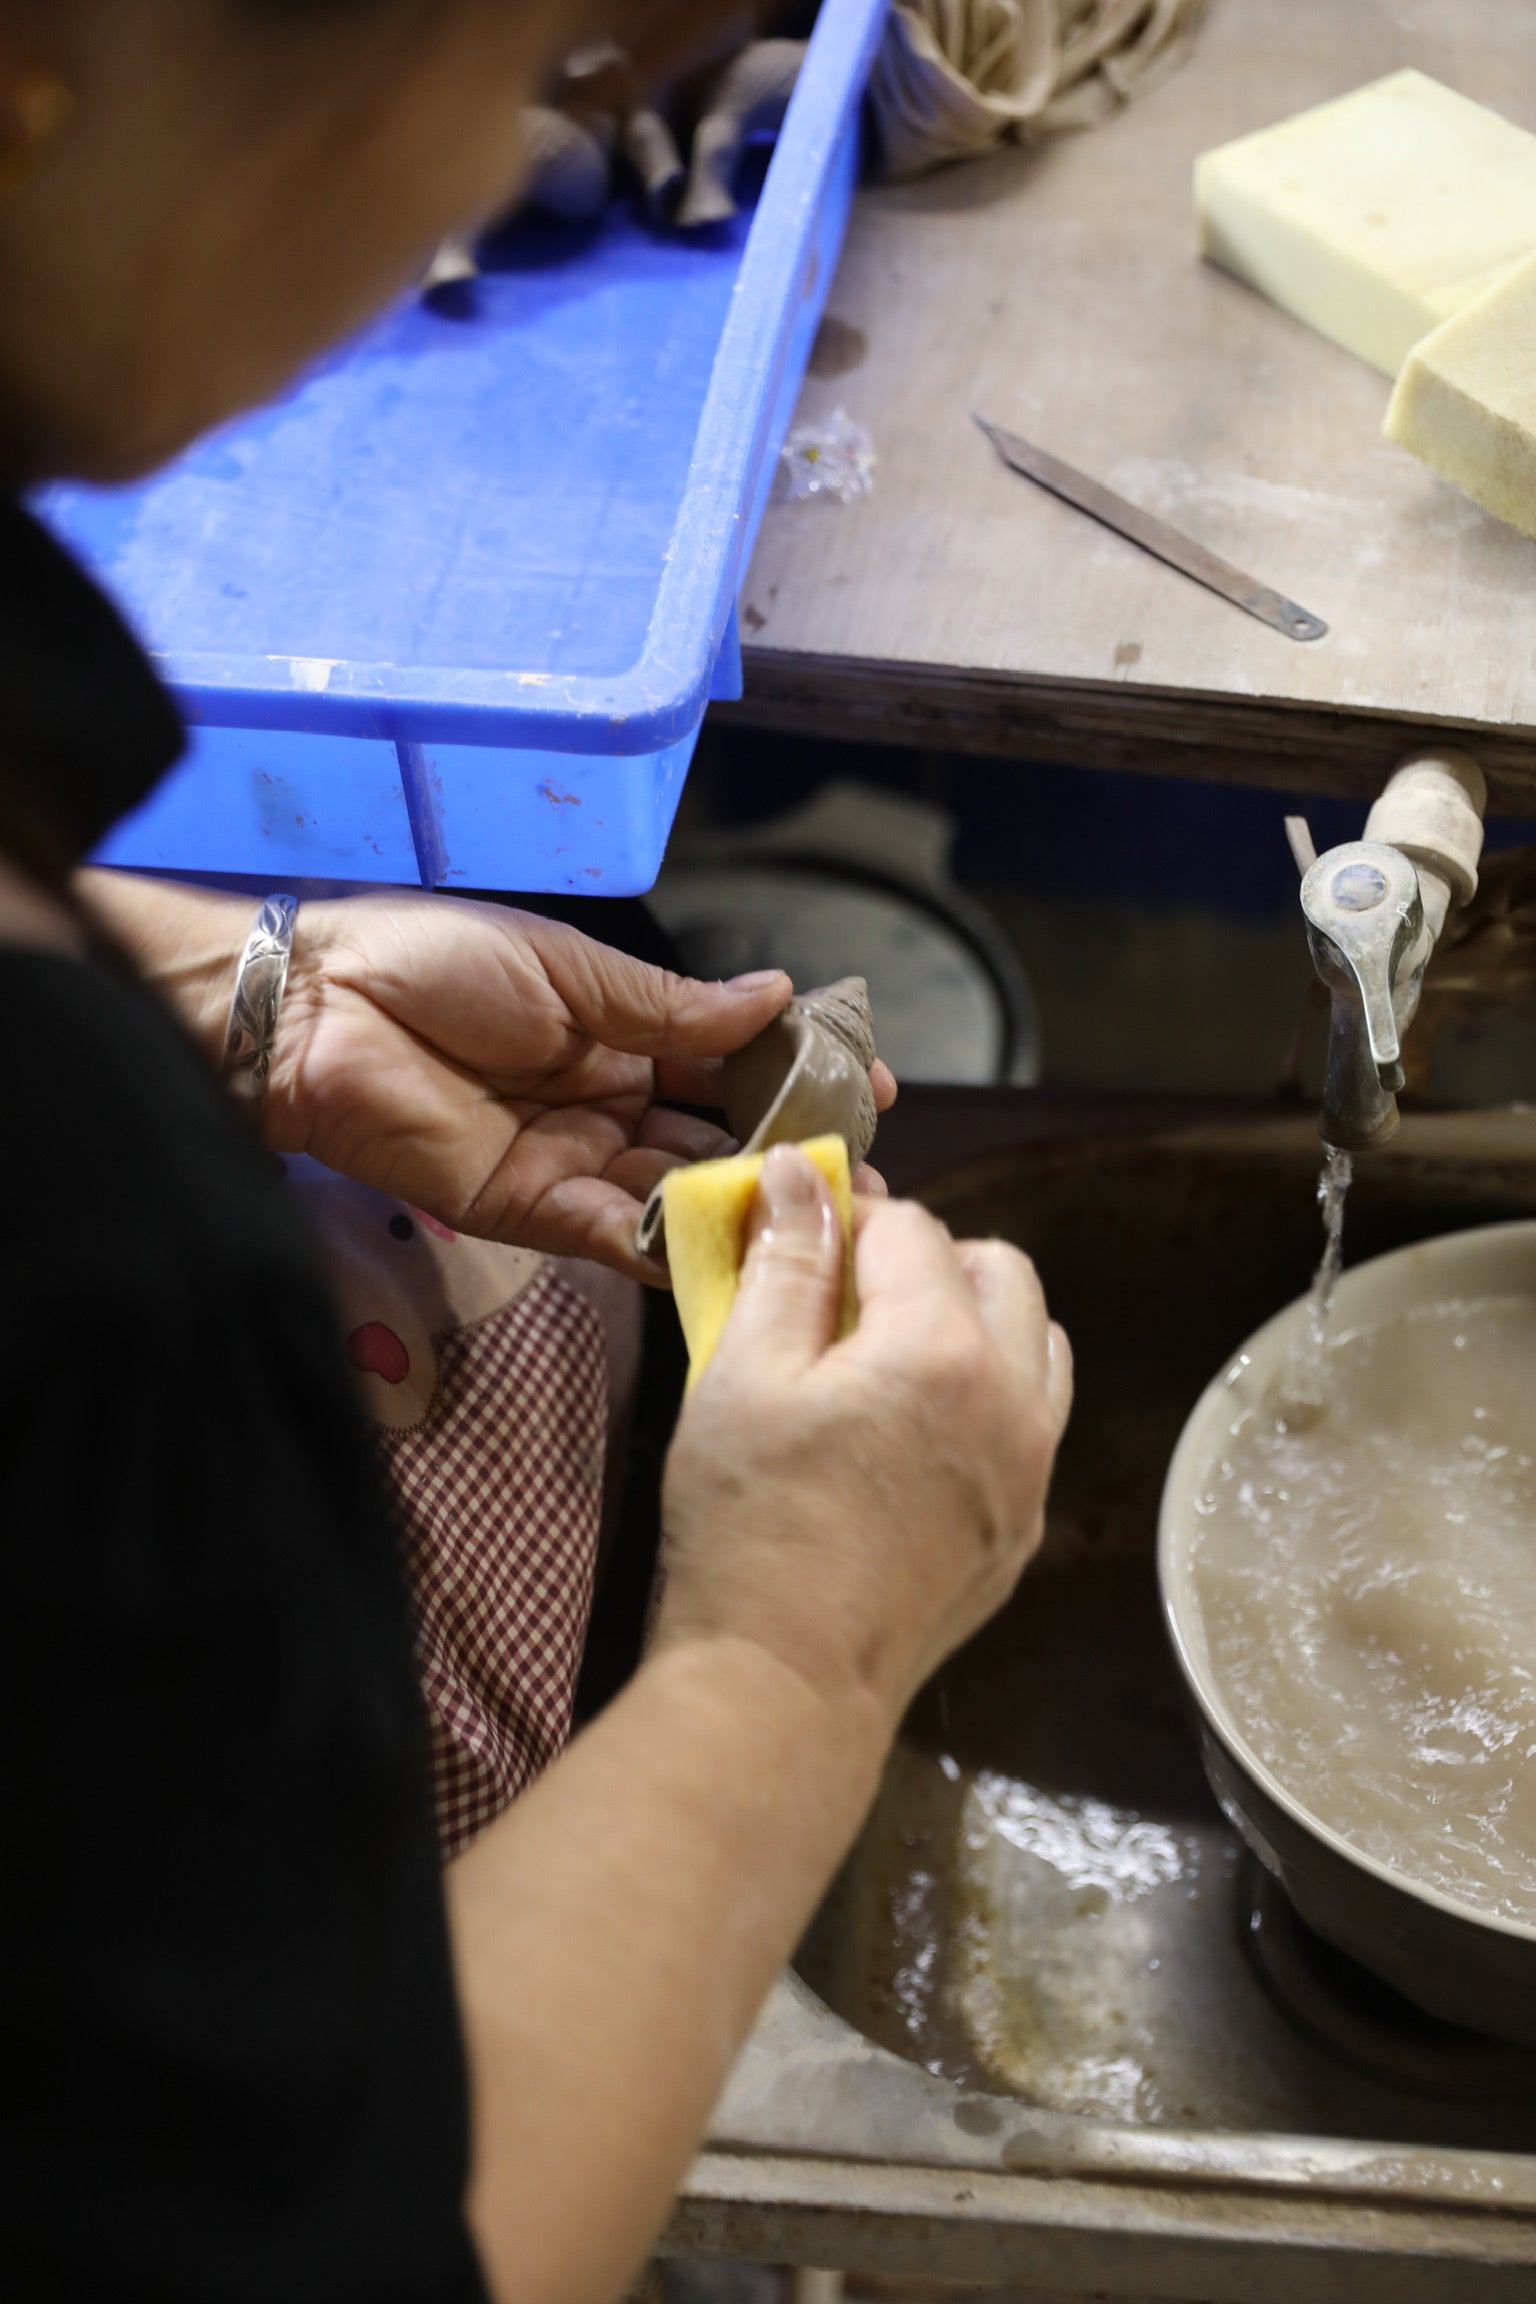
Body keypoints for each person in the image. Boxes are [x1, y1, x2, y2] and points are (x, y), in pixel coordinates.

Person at [0, 4, 1072, 2300]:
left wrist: (236, 988)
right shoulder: (84, 1257)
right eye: (523, 79)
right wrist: (786, 1655)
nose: (494, 191)